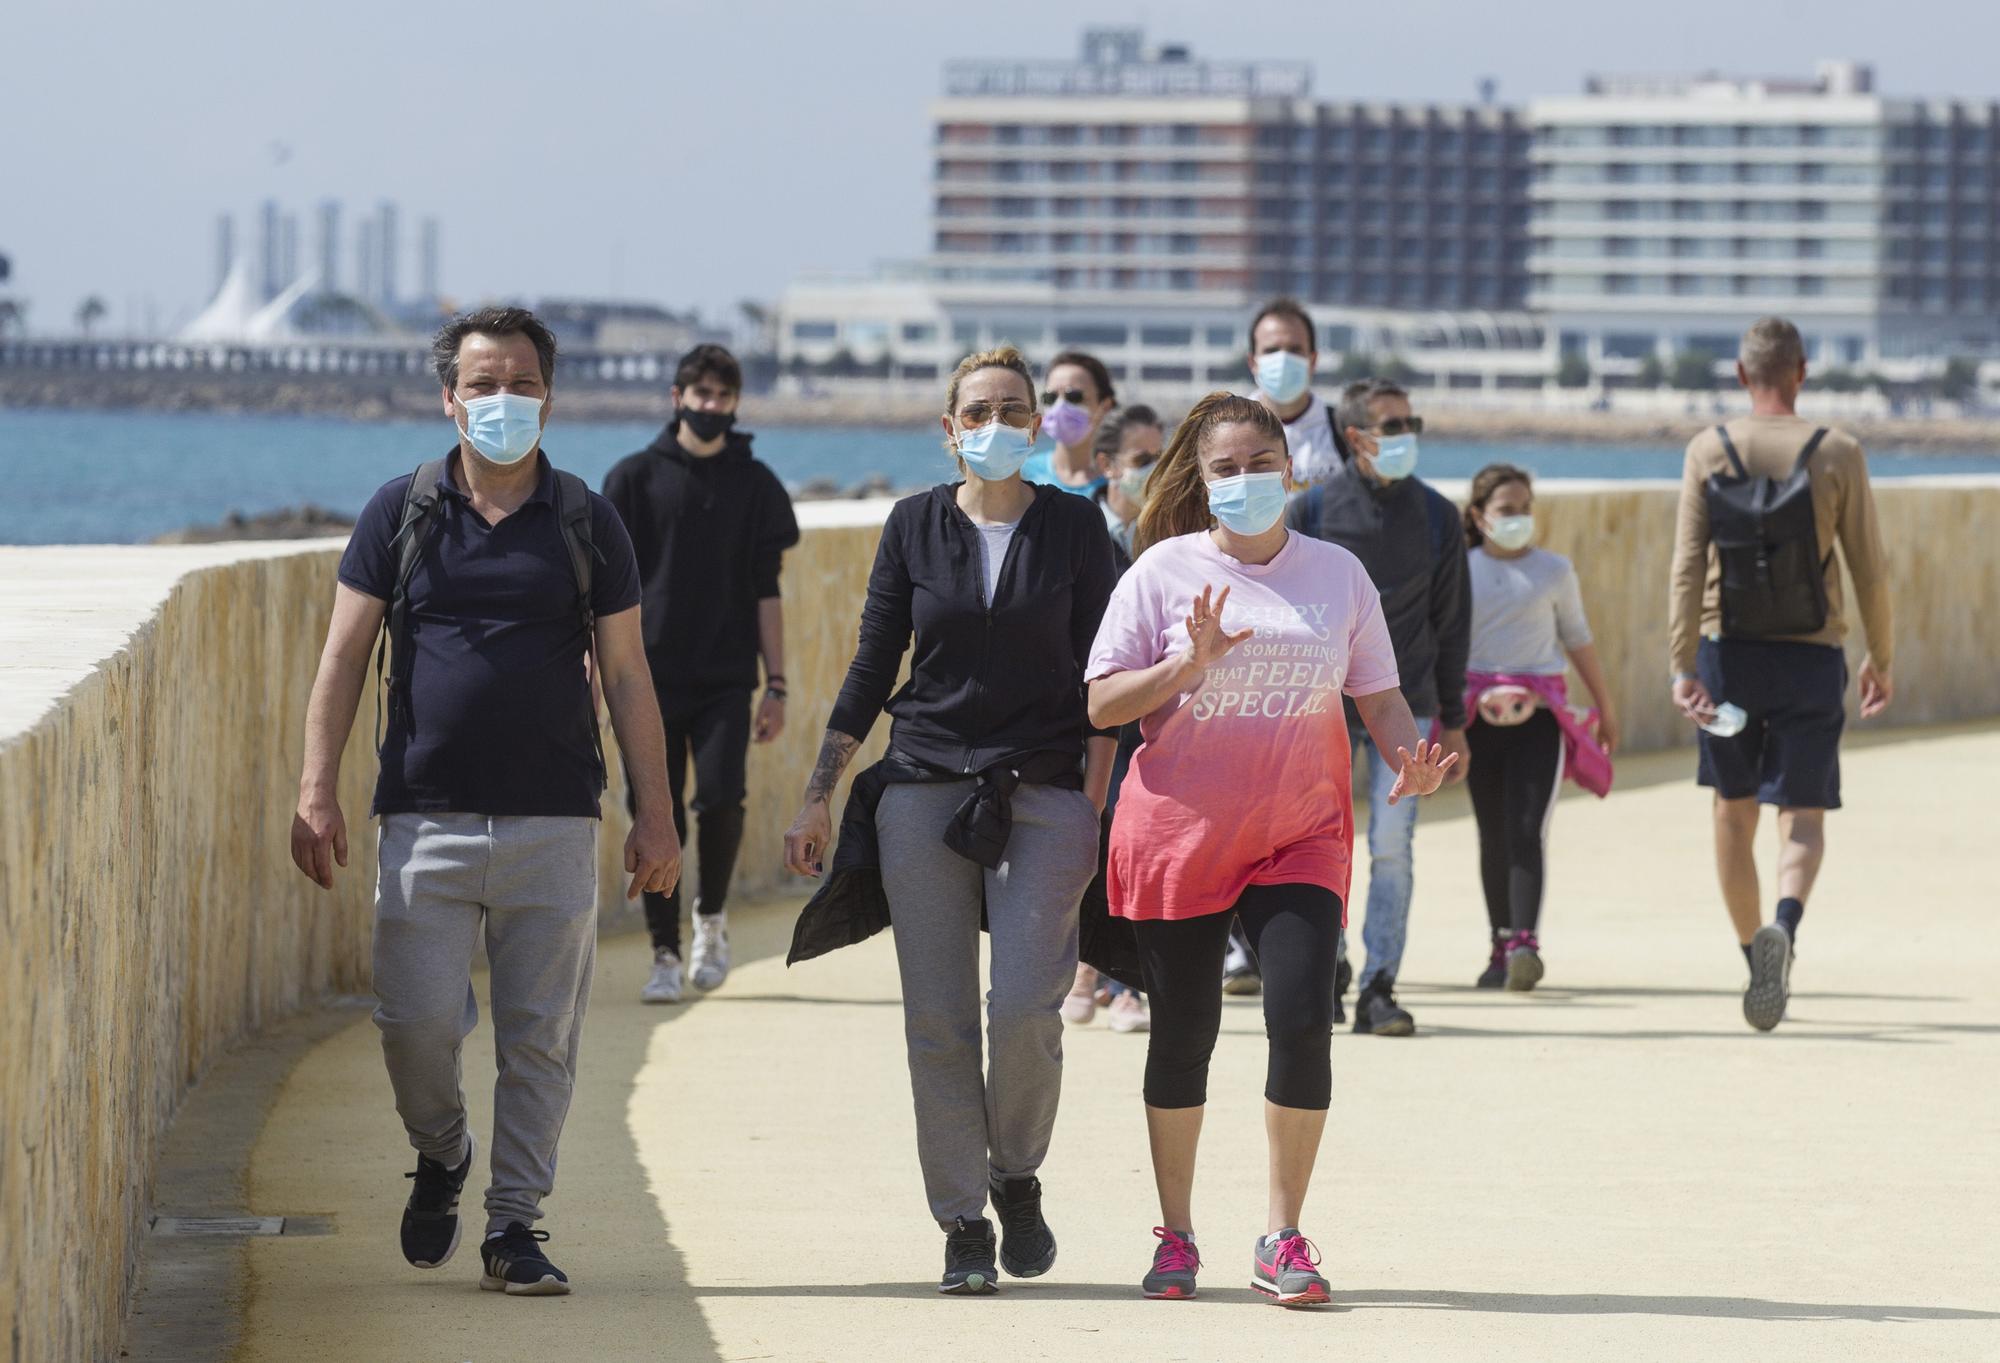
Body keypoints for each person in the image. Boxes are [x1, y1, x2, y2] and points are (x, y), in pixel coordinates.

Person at [288, 306, 680, 1297]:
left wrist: (656, 811)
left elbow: (628, 675)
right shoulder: (403, 509)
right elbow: (344, 654)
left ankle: (515, 1225)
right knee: (412, 1021)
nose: (502, 401)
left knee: (540, 1034)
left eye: (523, 384)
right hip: (423, 811)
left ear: (549, 396)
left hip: (554, 814)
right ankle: (443, 1149)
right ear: (448, 397)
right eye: (483, 384)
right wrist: (316, 788)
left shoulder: (586, 520)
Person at [1085, 392, 1455, 1305]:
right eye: (1226, 467)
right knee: (1183, 1035)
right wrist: (1185, 668)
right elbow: (1101, 704)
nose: (1246, 480)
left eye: (1261, 463)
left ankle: (1282, 1237)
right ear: (1201, 481)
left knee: (1301, 1016)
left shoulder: (1338, 574)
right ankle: (1177, 1236)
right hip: (1181, 833)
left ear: (1292, 471)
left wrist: (1410, 757)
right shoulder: (1162, 571)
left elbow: (1379, 695)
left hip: (1300, 830)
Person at [783, 346, 1119, 1294]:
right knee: (937, 1021)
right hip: (924, 785)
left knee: (1023, 1006)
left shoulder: (1075, 526)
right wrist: (819, 787)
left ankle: (1016, 1172)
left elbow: (1106, 676)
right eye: (980, 409)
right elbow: (871, 663)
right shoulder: (911, 525)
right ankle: (963, 1217)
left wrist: (1094, 808)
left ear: (1039, 423)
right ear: (949, 427)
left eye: (1017, 408)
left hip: (1045, 791)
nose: (1000, 423)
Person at [1668, 316, 1893, 1032]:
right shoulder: (1840, 451)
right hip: (1811, 654)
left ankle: (1750, 953)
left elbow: (1685, 565)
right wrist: (1880, 656)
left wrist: (1681, 663)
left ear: (1741, 374)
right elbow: (1869, 566)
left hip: (1726, 654)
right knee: (1802, 814)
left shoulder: (1709, 448)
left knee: (1732, 811)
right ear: (1801, 373)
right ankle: (1785, 933)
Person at [602, 344, 799, 1003]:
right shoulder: (631, 479)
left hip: (724, 678)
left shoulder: (758, 483)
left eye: (722, 396)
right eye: (700, 393)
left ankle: (710, 920)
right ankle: (663, 951)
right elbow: (606, 592)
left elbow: (767, 591)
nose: (710, 406)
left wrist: (777, 683)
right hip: (646, 679)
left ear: (736, 403)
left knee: (720, 799)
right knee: (655, 810)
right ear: (676, 396)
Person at [1278, 378, 1471, 1035]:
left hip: (1408, 707)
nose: (1406, 434)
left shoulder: (1441, 516)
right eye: (1393, 425)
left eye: (1411, 421)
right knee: (1322, 844)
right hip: (1320, 710)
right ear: (1357, 436)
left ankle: (1380, 984)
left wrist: (1457, 719)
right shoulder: (1311, 512)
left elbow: (1453, 622)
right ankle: (1328, 966)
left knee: (1393, 845)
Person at [1462, 464, 1619, 991]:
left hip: (1541, 720)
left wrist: (1605, 706)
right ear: (1480, 517)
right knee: (1492, 833)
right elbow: (1444, 644)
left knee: (1528, 829)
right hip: (1477, 721)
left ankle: (1525, 941)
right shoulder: (1461, 569)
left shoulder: (1554, 570)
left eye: (1525, 508)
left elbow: (1577, 637)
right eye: (1507, 510)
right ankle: (1498, 944)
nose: (1519, 519)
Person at [1064, 404, 1168, 1034]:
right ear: (1105, 466)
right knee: (1084, 839)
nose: (1153, 471)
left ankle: (1127, 980)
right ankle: (1082, 966)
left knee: (1137, 846)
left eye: (1162, 456)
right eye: (1141, 459)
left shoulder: (1171, 541)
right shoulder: (1075, 534)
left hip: (1149, 719)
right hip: (1082, 718)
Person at [1246, 298, 1342, 489]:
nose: (1282, 359)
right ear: (1253, 363)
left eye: (1294, 350)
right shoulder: (1225, 433)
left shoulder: (1342, 431)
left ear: (1313, 360)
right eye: (1271, 350)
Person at [1020, 350, 1116, 497]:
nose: (1060, 406)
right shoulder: (1023, 474)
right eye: (1050, 397)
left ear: (1105, 405)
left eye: (1074, 397)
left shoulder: (1117, 480)